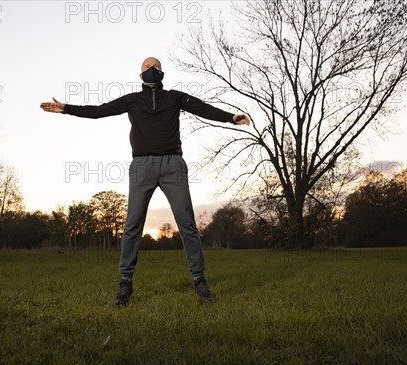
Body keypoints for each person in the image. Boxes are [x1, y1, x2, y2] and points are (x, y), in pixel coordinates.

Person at [40, 57, 250, 305]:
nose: (152, 71)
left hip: (173, 166)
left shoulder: (175, 97)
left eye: (156, 68)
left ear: (162, 74)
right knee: (132, 225)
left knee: (187, 224)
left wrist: (231, 117)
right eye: (147, 68)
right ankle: (125, 282)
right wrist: (66, 108)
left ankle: (199, 279)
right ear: (140, 76)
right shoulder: (132, 100)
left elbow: (202, 108)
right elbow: (99, 111)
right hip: (141, 168)